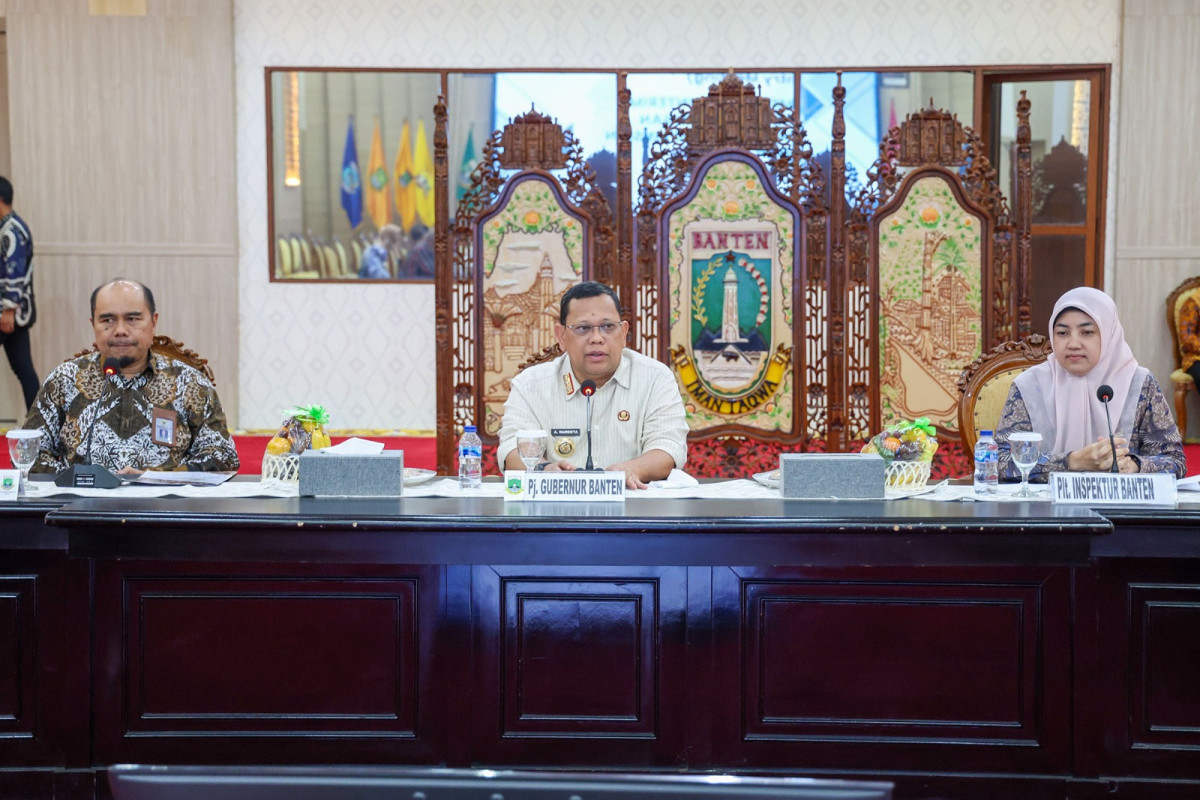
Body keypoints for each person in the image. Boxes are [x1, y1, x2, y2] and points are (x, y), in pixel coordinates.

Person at [23, 279, 239, 476]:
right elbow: (28, 453)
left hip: (164, 510)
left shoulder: (189, 383)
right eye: (107, 320)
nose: (120, 330)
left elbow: (223, 456)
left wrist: (159, 476)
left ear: (153, 323)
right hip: (83, 510)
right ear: (93, 325)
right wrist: (81, 479)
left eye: (132, 319)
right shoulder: (64, 379)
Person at [497, 281, 688, 489]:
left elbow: (669, 447)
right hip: (554, 512)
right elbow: (511, 449)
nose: (597, 338)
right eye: (582, 328)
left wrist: (634, 469)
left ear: (624, 333)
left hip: (634, 510)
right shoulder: (530, 384)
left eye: (608, 327)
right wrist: (545, 470)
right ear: (561, 336)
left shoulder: (655, 378)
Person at [996, 286, 1184, 481]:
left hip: (1119, 506)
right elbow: (998, 461)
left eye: (1086, 332)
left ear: (1109, 334)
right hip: (1045, 507)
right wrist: (1071, 462)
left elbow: (1175, 461)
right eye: (1062, 333)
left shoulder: (1139, 383)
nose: (1073, 343)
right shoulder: (1030, 386)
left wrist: (1134, 466)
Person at [0, 176, 39, 410]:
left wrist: (8, 309)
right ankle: (39, 423)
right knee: (23, 367)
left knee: (23, 368)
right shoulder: (8, 228)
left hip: (9, 312)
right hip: (12, 311)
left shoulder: (11, 232)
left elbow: (14, 274)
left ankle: (40, 424)